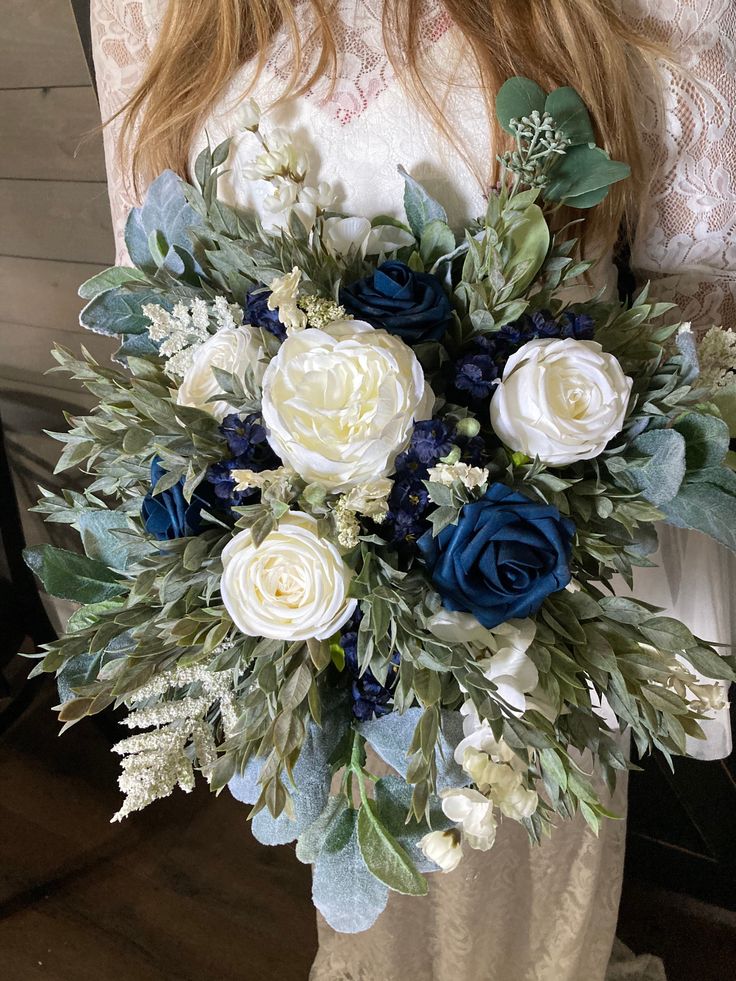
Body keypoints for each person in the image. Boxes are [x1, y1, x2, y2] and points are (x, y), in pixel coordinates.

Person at [90, 2, 735, 978]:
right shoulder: (156, 11)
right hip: (310, 610)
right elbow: (155, 303)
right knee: (376, 913)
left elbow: (700, 321)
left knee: (532, 929)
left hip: (532, 603)